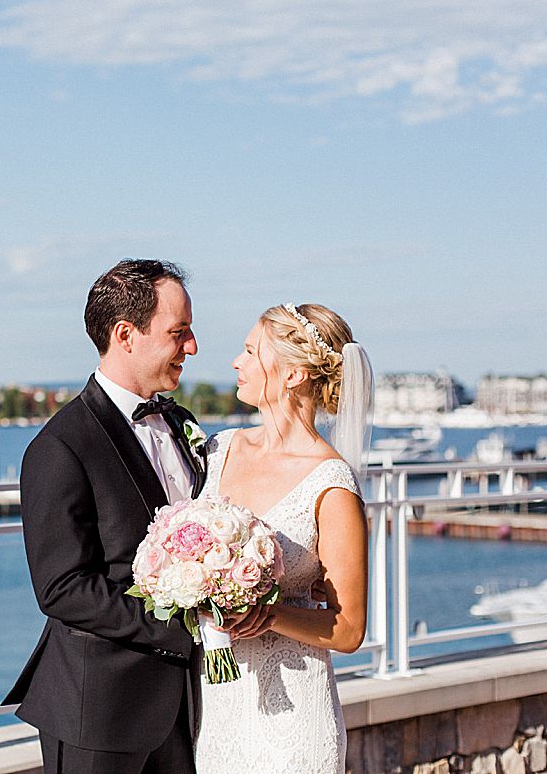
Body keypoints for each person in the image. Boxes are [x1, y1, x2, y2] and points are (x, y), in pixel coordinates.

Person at [4, 259, 206, 774]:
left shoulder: (182, 425)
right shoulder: (60, 446)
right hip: (99, 709)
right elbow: (63, 587)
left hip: (186, 709)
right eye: (178, 333)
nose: (193, 347)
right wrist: (187, 630)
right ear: (126, 335)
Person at [194, 303, 373, 773]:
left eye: (251, 351)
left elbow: (350, 628)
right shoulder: (219, 449)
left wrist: (270, 614)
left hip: (296, 716)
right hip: (219, 708)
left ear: (293, 374)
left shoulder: (331, 484)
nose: (237, 361)